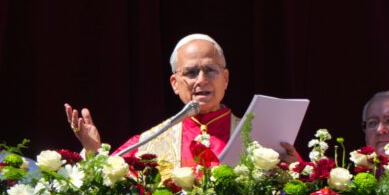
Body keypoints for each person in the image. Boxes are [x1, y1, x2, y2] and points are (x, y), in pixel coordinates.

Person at [64, 34, 299, 168]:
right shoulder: (148, 143)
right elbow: (107, 176)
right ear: (175, 84)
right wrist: (93, 151)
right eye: (190, 73)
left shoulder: (260, 137)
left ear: (226, 79)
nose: (202, 80)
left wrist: (294, 167)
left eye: (211, 70)